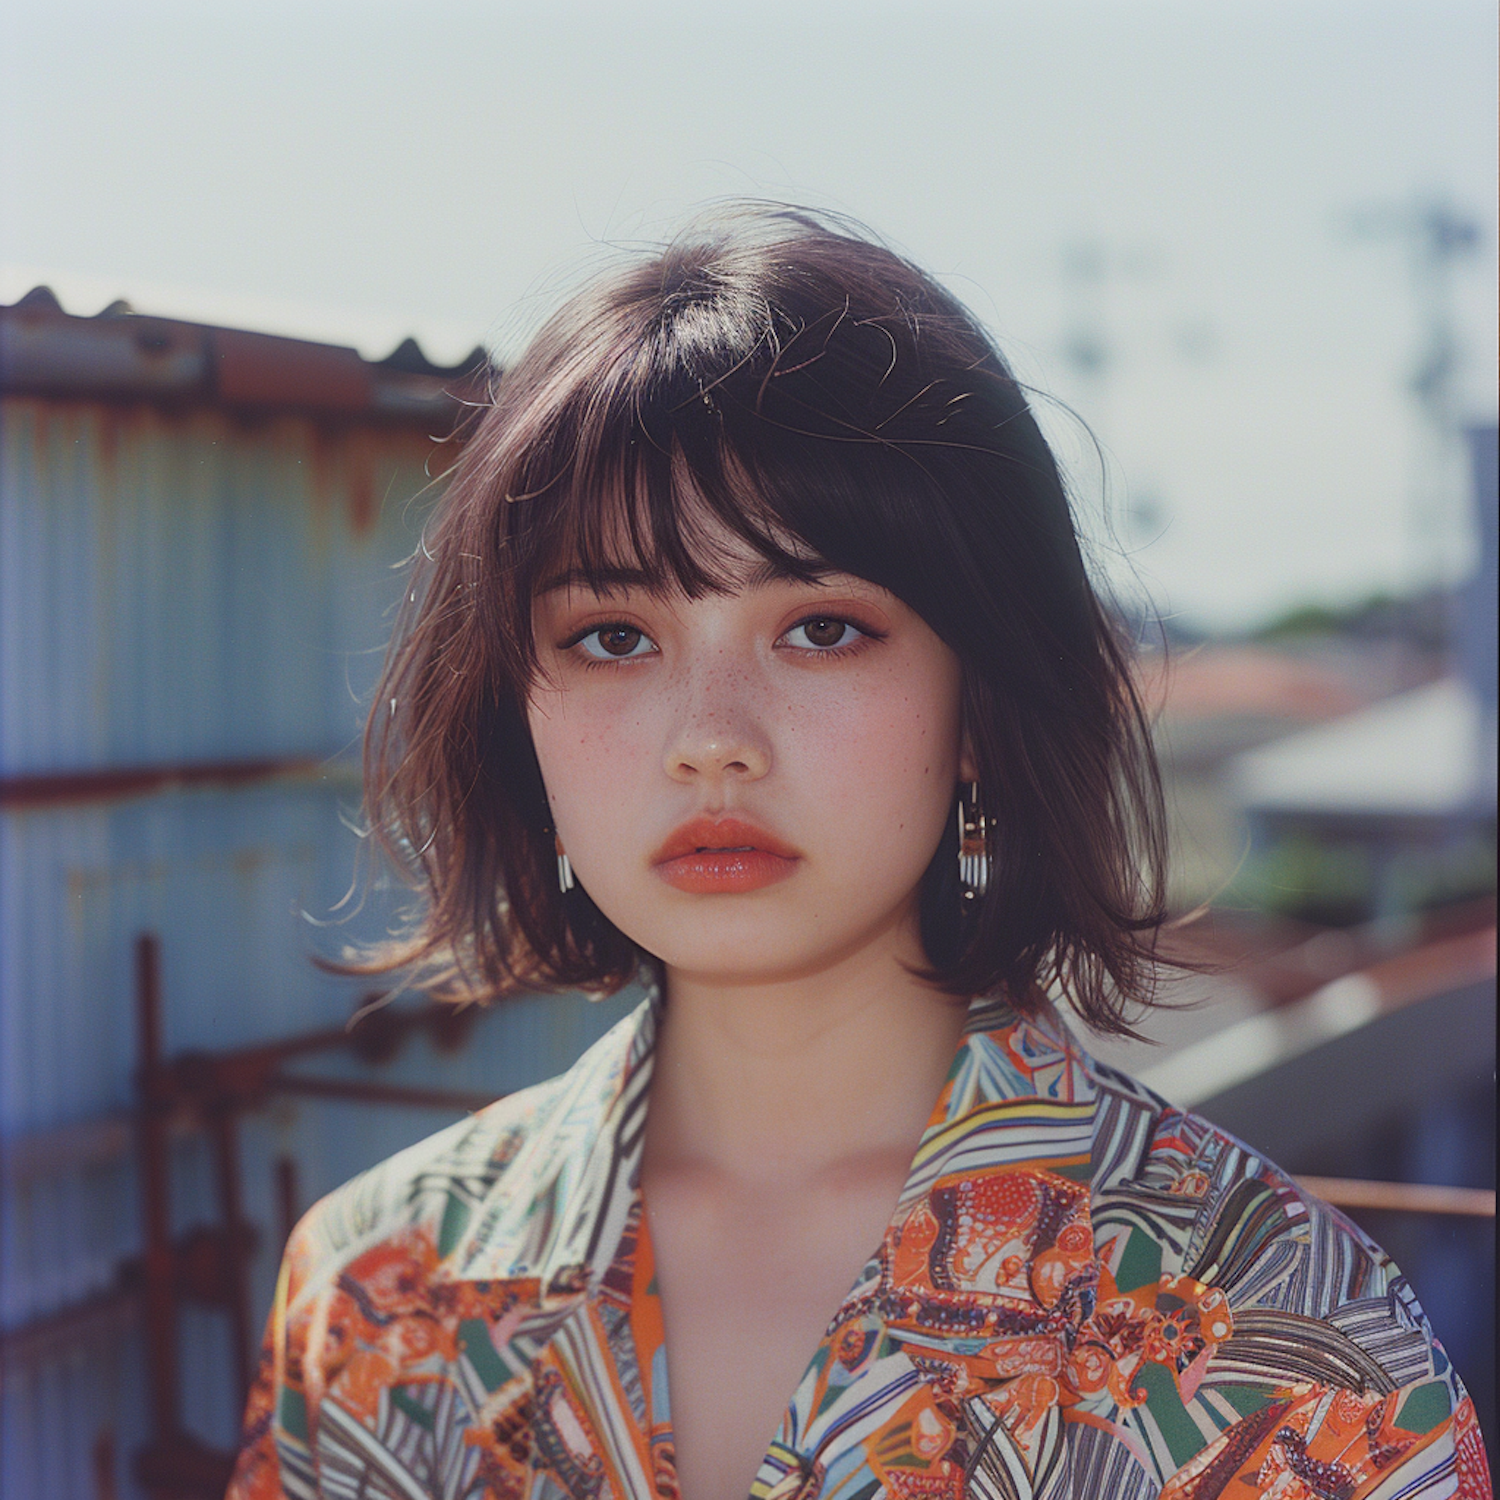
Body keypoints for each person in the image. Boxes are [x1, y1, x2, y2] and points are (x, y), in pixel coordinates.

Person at [226, 207, 1490, 1500]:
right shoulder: (383, 1295)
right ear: (517, 713)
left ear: (977, 707)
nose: (710, 742)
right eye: (612, 636)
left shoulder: (1289, 1358)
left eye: (821, 628)